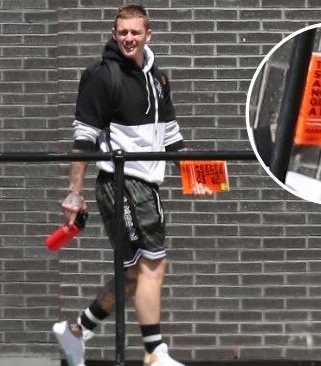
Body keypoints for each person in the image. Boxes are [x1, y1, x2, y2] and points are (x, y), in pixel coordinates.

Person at [52, 4, 208, 366]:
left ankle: (75, 333)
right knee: (153, 265)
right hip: (122, 182)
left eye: (135, 32)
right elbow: (83, 140)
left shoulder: (158, 79)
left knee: (132, 277)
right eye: (122, 32)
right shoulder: (101, 76)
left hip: (149, 185)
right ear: (114, 33)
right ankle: (154, 354)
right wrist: (75, 192)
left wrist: (197, 177)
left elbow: (172, 137)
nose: (129, 38)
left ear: (148, 35)